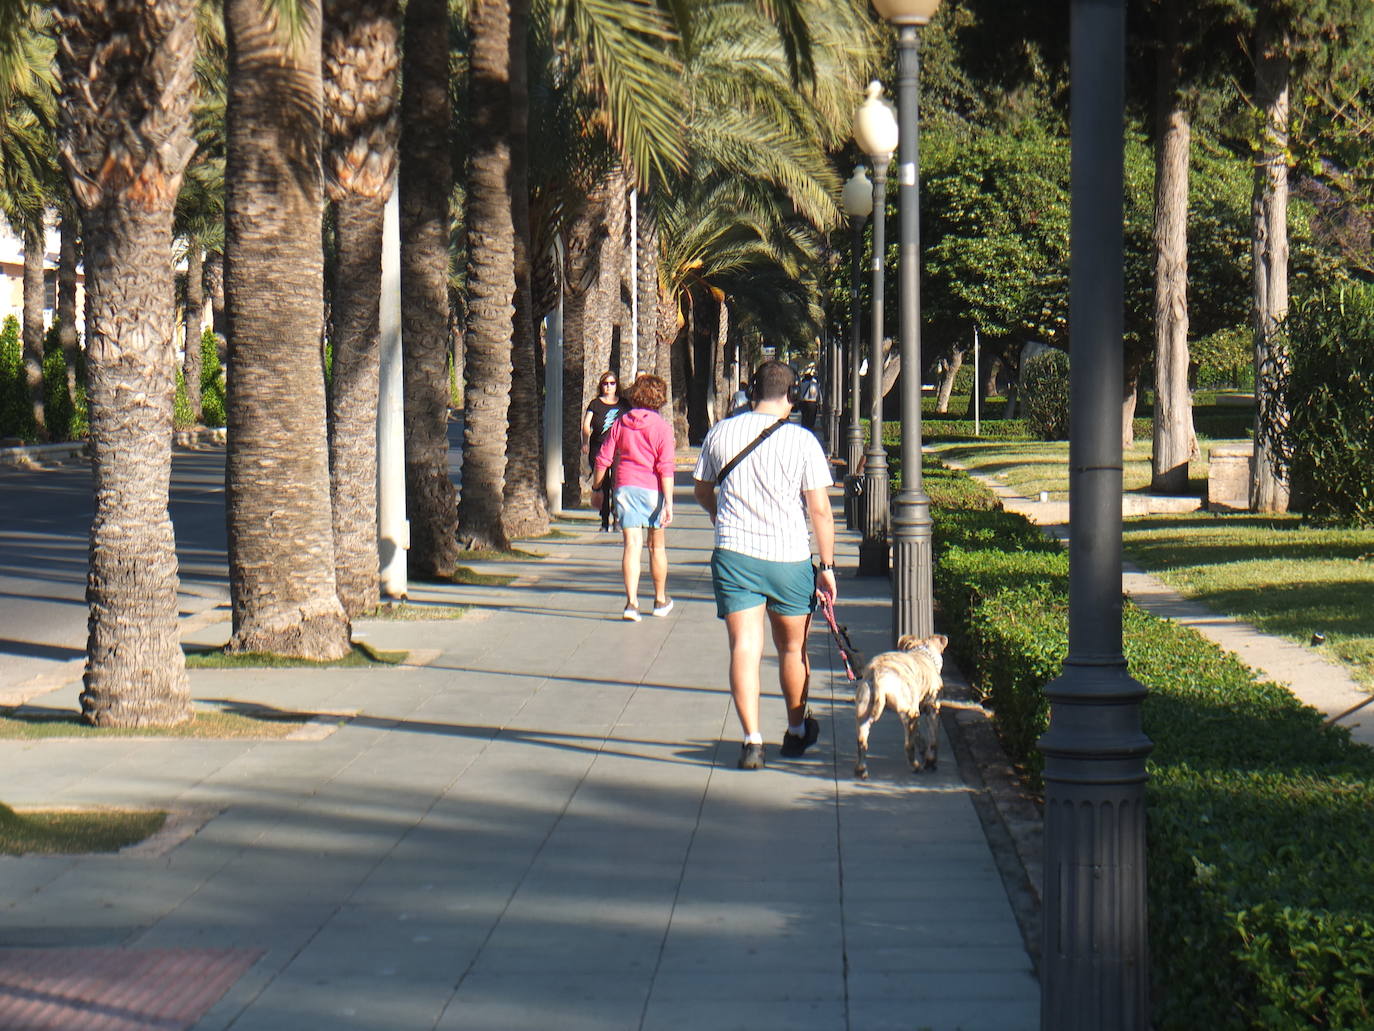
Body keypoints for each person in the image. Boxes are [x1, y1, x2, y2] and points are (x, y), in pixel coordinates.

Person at [692, 360, 836, 769]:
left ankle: (751, 741)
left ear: (753, 390)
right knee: (793, 648)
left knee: (744, 647)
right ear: (792, 395)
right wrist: (826, 566)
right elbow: (820, 510)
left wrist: (721, 515)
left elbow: (702, 489)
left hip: (736, 555)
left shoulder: (722, 431)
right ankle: (794, 731)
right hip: (789, 558)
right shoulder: (803, 441)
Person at [591, 373, 676, 622]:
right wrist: (669, 501)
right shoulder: (661, 427)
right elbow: (666, 466)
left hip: (625, 487)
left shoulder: (622, 422)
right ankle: (660, 600)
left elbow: (603, 458)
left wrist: (597, 488)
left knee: (632, 545)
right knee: (656, 546)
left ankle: (632, 604)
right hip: (653, 489)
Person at [582, 372, 624, 530]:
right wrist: (585, 442)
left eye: (612, 383)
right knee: (602, 484)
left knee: (617, 484)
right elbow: (586, 425)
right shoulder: (595, 404)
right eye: (606, 383)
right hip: (598, 448)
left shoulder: (624, 404)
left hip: (619, 450)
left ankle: (617, 517)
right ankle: (604, 520)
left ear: (616, 385)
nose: (609, 386)